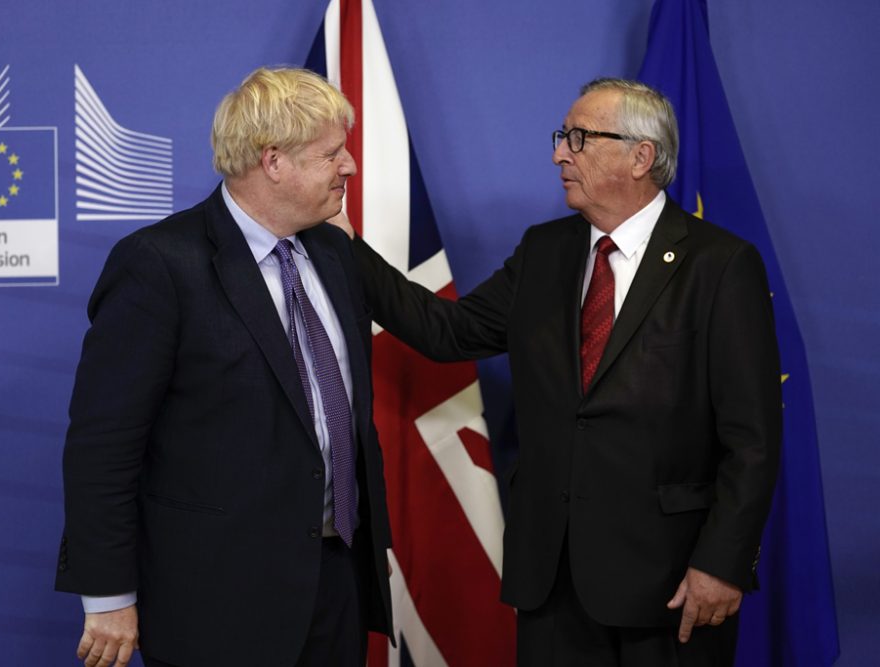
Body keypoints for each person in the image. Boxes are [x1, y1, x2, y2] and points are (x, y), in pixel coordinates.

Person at [330, 78, 781, 666]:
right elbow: (451, 333)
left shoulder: (719, 265)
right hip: (552, 578)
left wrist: (722, 562)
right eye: (561, 137)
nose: (558, 154)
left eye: (578, 138)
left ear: (640, 156)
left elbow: (753, 439)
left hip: (669, 585)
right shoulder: (546, 252)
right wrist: (348, 249)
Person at [55, 67, 393, 667]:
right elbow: (103, 444)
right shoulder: (160, 264)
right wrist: (108, 594)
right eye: (332, 154)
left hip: (335, 584)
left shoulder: (336, 253)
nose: (350, 167)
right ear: (273, 161)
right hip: (214, 598)